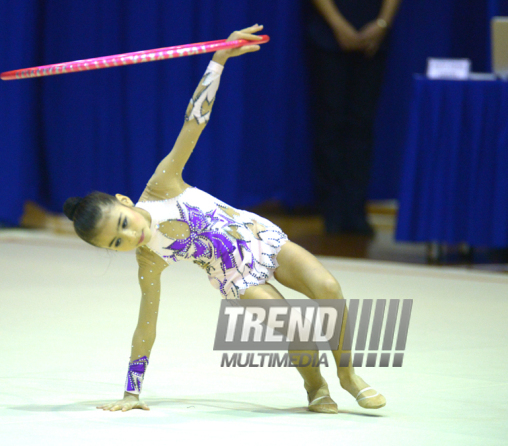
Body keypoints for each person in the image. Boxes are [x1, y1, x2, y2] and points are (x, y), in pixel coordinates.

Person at [63, 25, 386, 413]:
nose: (130, 236)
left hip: (261, 238)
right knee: (294, 324)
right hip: (236, 279)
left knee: (328, 287)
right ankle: (316, 387)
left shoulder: (163, 184)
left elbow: (193, 124)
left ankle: (348, 375)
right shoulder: (149, 260)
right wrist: (132, 392)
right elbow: (146, 326)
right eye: (116, 242)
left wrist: (218, 61)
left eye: (123, 223)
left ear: (124, 201)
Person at [306, 0, 401, 235]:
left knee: (362, 125)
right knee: (330, 122)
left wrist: (383, 23)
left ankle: (356, 210)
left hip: (373, 32)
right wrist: (338, 25)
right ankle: (332, 212)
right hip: (329, 31)